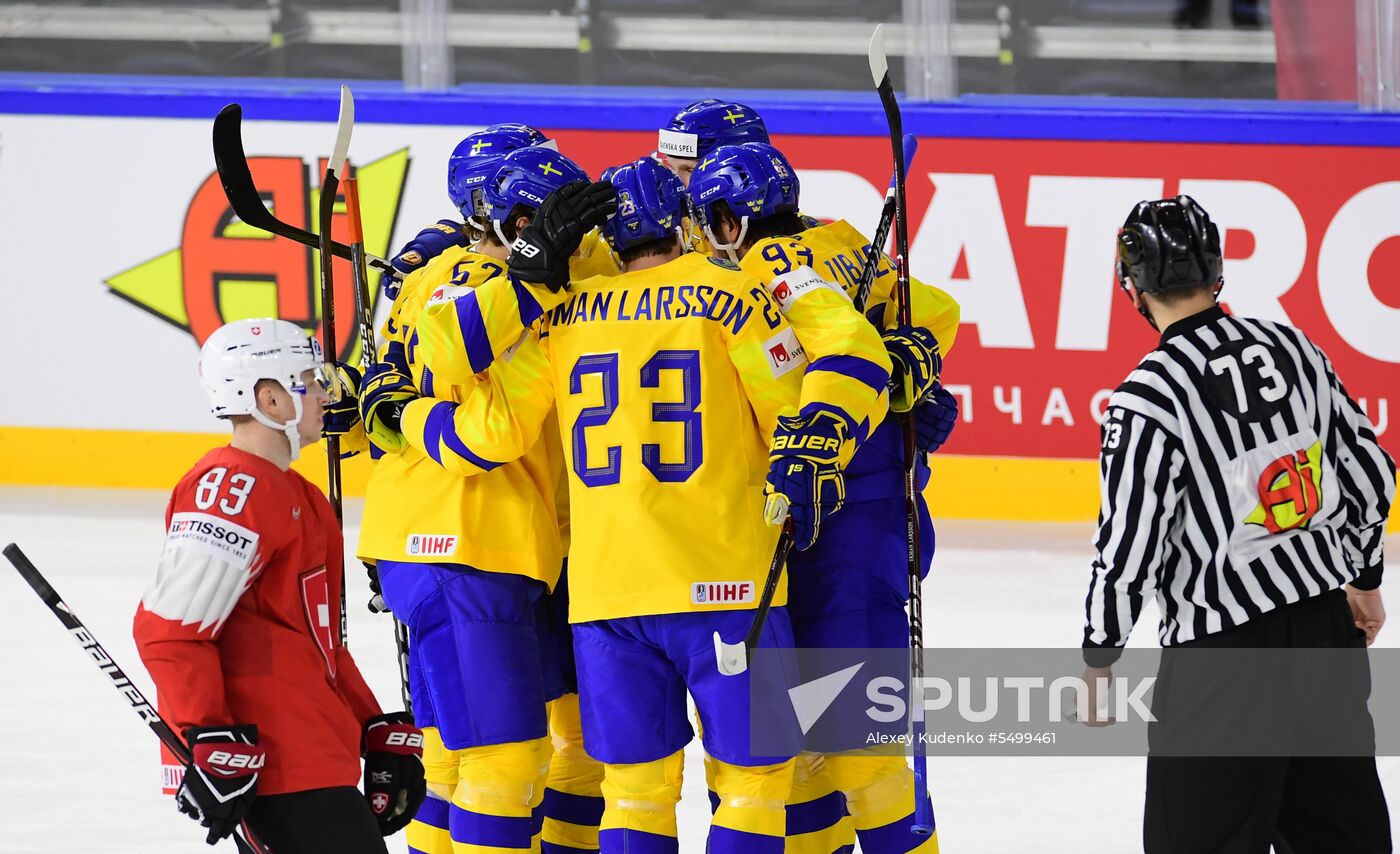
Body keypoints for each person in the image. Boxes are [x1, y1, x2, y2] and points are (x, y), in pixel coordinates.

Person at [360, 159, 878, 852]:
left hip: (604, 596)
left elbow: (486, 410)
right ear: (681, 223)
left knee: (633, 794)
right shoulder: (732, 295)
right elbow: (796, 411)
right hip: (726, 579)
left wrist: (406, 403)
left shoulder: (560, 314)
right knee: (757, 783)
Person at [1081, 195, 1395, 853]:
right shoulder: (1296, 347)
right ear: (1216, 271)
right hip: (1323, 633)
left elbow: (1129, 545)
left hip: (1220, 665)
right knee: (1344, 839)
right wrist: (1363, 579)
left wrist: (1100, 654)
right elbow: (1371, 477)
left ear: (1132, 287)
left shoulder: (1148, 396)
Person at [689, 142, 959, 854]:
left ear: (730, 219)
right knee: (827, 741)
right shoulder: (839, 241)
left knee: (849, 743)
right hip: (856, 520)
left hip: (833, 527)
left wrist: (895, 376)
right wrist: (909, 366)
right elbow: (938, 314)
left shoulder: (756, 268)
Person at [357, 146, 609, 854]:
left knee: (465, 761)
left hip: (456, 544)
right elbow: (477, 419)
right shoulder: (488, 285)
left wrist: (385, 409)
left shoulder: (434, 275)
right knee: (502, 763)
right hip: (470, 540)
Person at [133, 318, 424, 853]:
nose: (323, 394)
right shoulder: (230, 489)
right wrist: (207, 737)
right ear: (268, 399)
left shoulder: (303, 495)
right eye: (309, 381)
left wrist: (370, 724)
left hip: (315, 753)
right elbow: (169, 632)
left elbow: (319, 645)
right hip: (274, 765)